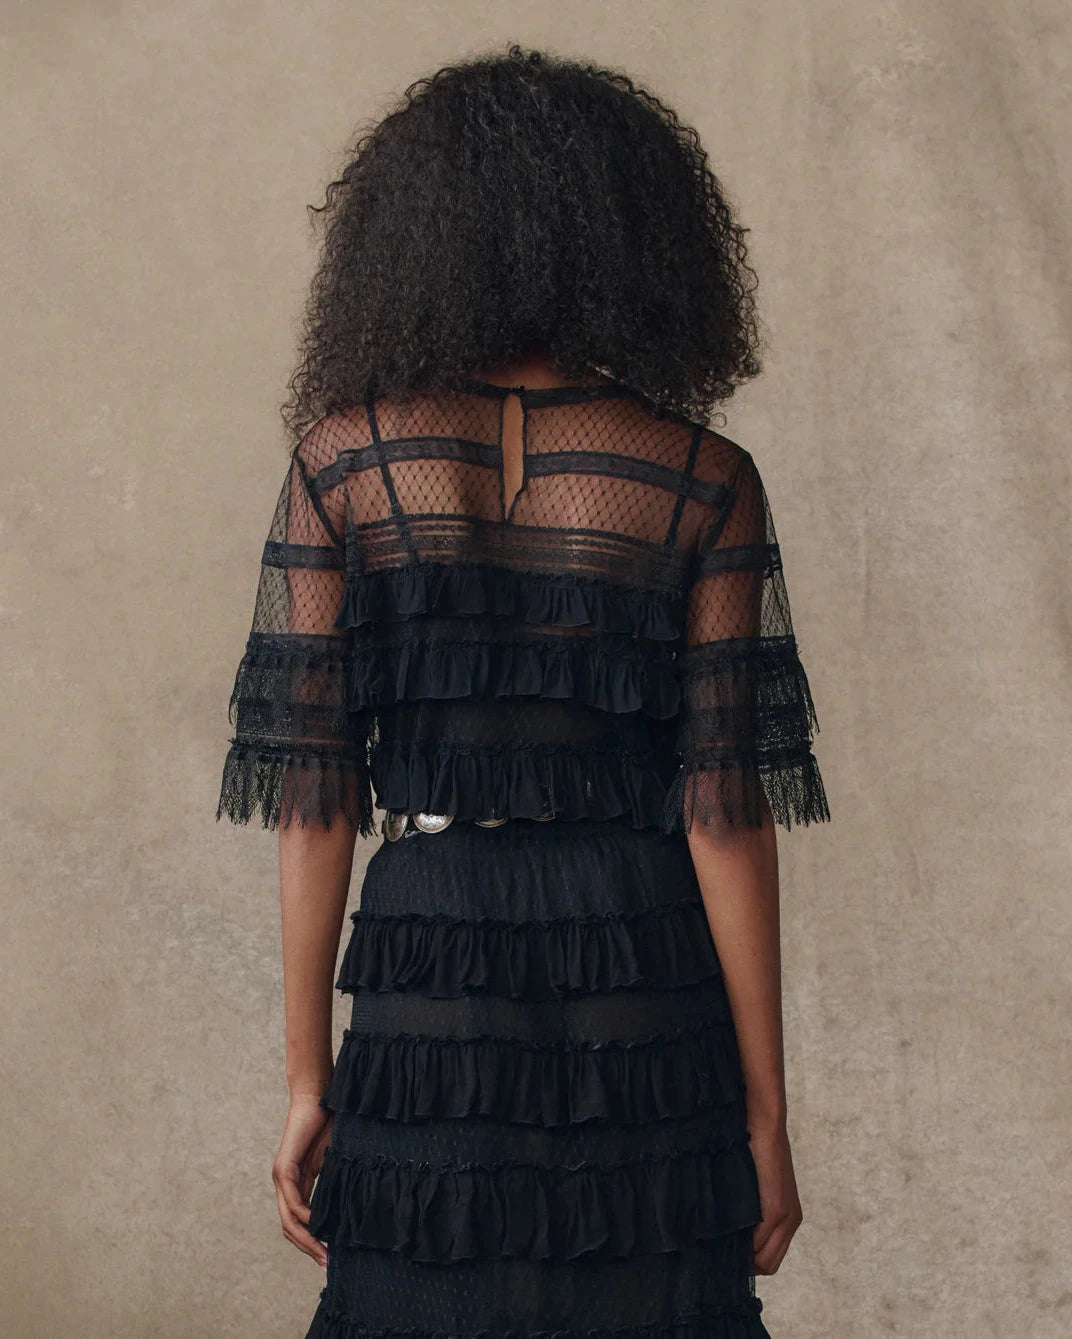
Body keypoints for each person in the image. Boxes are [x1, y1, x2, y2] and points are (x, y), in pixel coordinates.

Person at [215, 42, 831, 1339]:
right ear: (629, 236)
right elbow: (725, 813)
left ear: (413, 234)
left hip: (430, 945)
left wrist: (303, 1083)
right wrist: (766, 1114)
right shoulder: (701, 475)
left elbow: (314, 806)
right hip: (637, 949)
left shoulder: (342, 465)